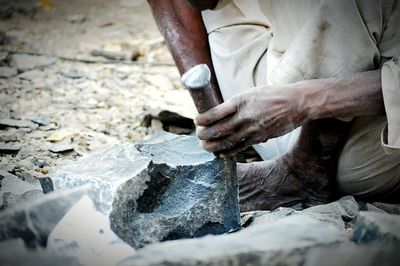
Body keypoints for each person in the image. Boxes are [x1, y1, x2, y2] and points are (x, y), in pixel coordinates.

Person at [148, 0, 400, 211]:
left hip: (363, 152)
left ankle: (306, 170)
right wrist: (219, 122)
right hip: (269, 122)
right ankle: (280, 160)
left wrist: (300, 102)